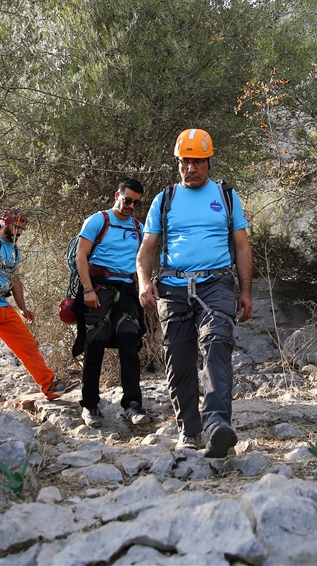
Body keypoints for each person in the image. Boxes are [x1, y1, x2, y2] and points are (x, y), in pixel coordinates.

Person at [137, 129, 253, 457]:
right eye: (185, 162)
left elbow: (242, 247)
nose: (191, 168)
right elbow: (146, 250)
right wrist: (145, 282)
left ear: (209, 162)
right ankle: (189, 430)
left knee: (218, 342)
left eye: (198, 162)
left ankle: (217, 425)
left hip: (216, 283)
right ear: (178, 162)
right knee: (179, 358)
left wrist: (245, 291)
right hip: (173, 288)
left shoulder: (227, 196)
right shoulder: (165, 199)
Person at [0, 207, 77, 400]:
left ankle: (50, 385)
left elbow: (16, 281)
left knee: (28, 346)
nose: (20, 232)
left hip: (2, 305)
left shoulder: (15, 249)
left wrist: (23, 308)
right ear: (5, 223)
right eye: (16, 226)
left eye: (23, 228)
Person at [71, 178, 151, 428]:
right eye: (127, 200)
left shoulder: (138, 228)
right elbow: (80, 256)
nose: (131, 206)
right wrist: (87, 290)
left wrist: (143, 288)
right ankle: (90, 405)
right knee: (94, 344)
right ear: (116, 195)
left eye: (136, 203)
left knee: (130, 343)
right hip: (98, 290)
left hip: (126, 292)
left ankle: (132, 405)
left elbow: (140, 261)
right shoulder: (99, 220)